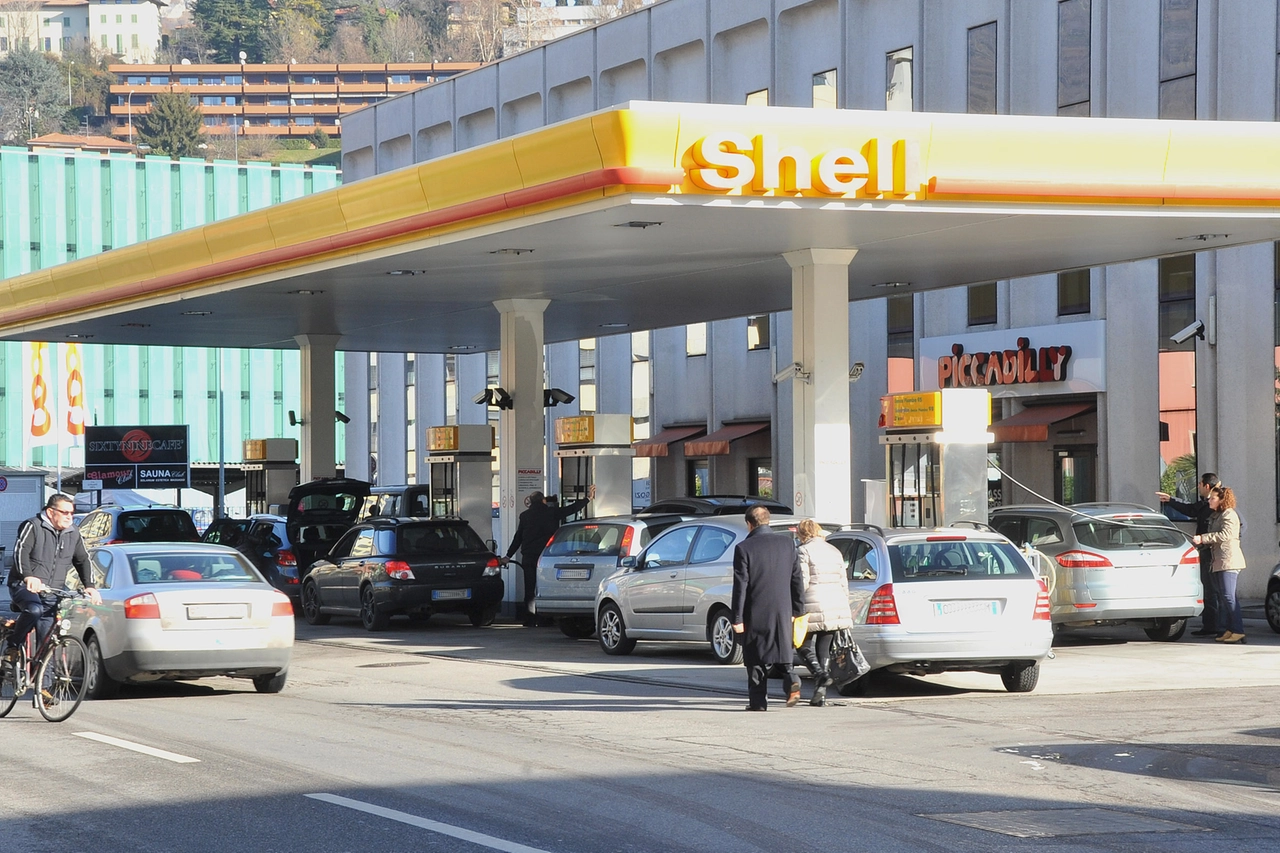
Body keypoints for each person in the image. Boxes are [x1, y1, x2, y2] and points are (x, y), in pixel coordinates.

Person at [2, 494, 101, 677]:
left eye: (72, 513)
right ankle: (13, 646)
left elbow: (83, 560)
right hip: (24, 585)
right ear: (50, 512)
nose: (69, 517)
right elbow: (20, 552)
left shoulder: (73, 533)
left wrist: (90, 585)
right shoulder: (33, 526)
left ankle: (44, 688)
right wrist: (28, 577)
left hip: (51, 591)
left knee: (47, 639)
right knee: (34, 610)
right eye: (65, 512)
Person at [731, 505, 805, 711]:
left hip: (755, 609)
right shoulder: (787, 544)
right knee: (782, 650)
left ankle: (758, 702)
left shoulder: (744, 548)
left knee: (755, 656)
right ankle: (791, 679)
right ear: (768, 521)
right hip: (783, 608)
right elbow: (797, 579)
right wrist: (798, 610)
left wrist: (736, 618)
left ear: (749, 524)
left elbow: (741, 585)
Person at [793, 519, 854, 707]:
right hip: (835, 603)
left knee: (801, 643)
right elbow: (843, 582)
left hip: (812, 604)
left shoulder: (803, 551)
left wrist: (795, 605)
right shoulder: (834, 551)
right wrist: (845, 604)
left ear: (802, 534)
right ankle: (820, 693)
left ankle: (821, 674)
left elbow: (802, 581)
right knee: (824, 647)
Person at [1157, 472, 1220, 637]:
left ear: (1207, 486)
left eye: (1200, 484)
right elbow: (1191, 509)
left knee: (1215, 590)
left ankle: (1217, 625)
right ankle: (1212, 625)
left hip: (1214, 552)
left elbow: (1239, 525)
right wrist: (1170, 500)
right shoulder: (1206, 504)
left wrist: (1213, 541)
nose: (1198, 486)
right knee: (1209, 589)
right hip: (1206, 551)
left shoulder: (1221, 503)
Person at [1192, 485, 1246, 644]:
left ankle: (1238, 630)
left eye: (1213, 498)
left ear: (1222, 499)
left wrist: (1203, 538)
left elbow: (1226, 534)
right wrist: (1201, 542)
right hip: (1219, 561)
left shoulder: (1229, 514)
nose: (1209, 500)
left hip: (1228, 561)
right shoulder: (1217, 514)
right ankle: (1230, 629)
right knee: (1225, 597)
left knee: (1229, 598)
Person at [503, 491, 561, 626]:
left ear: (531, 502)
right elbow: (571, 509)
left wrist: (508, 556)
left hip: (528, 557)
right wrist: (587, 499)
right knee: (544, 587)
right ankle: (544, 619)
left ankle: (529, 618)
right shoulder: (551, 513)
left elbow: (518, 538)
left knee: (530, 588)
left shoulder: (525, 516)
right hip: (545, 558)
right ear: (543, 501)